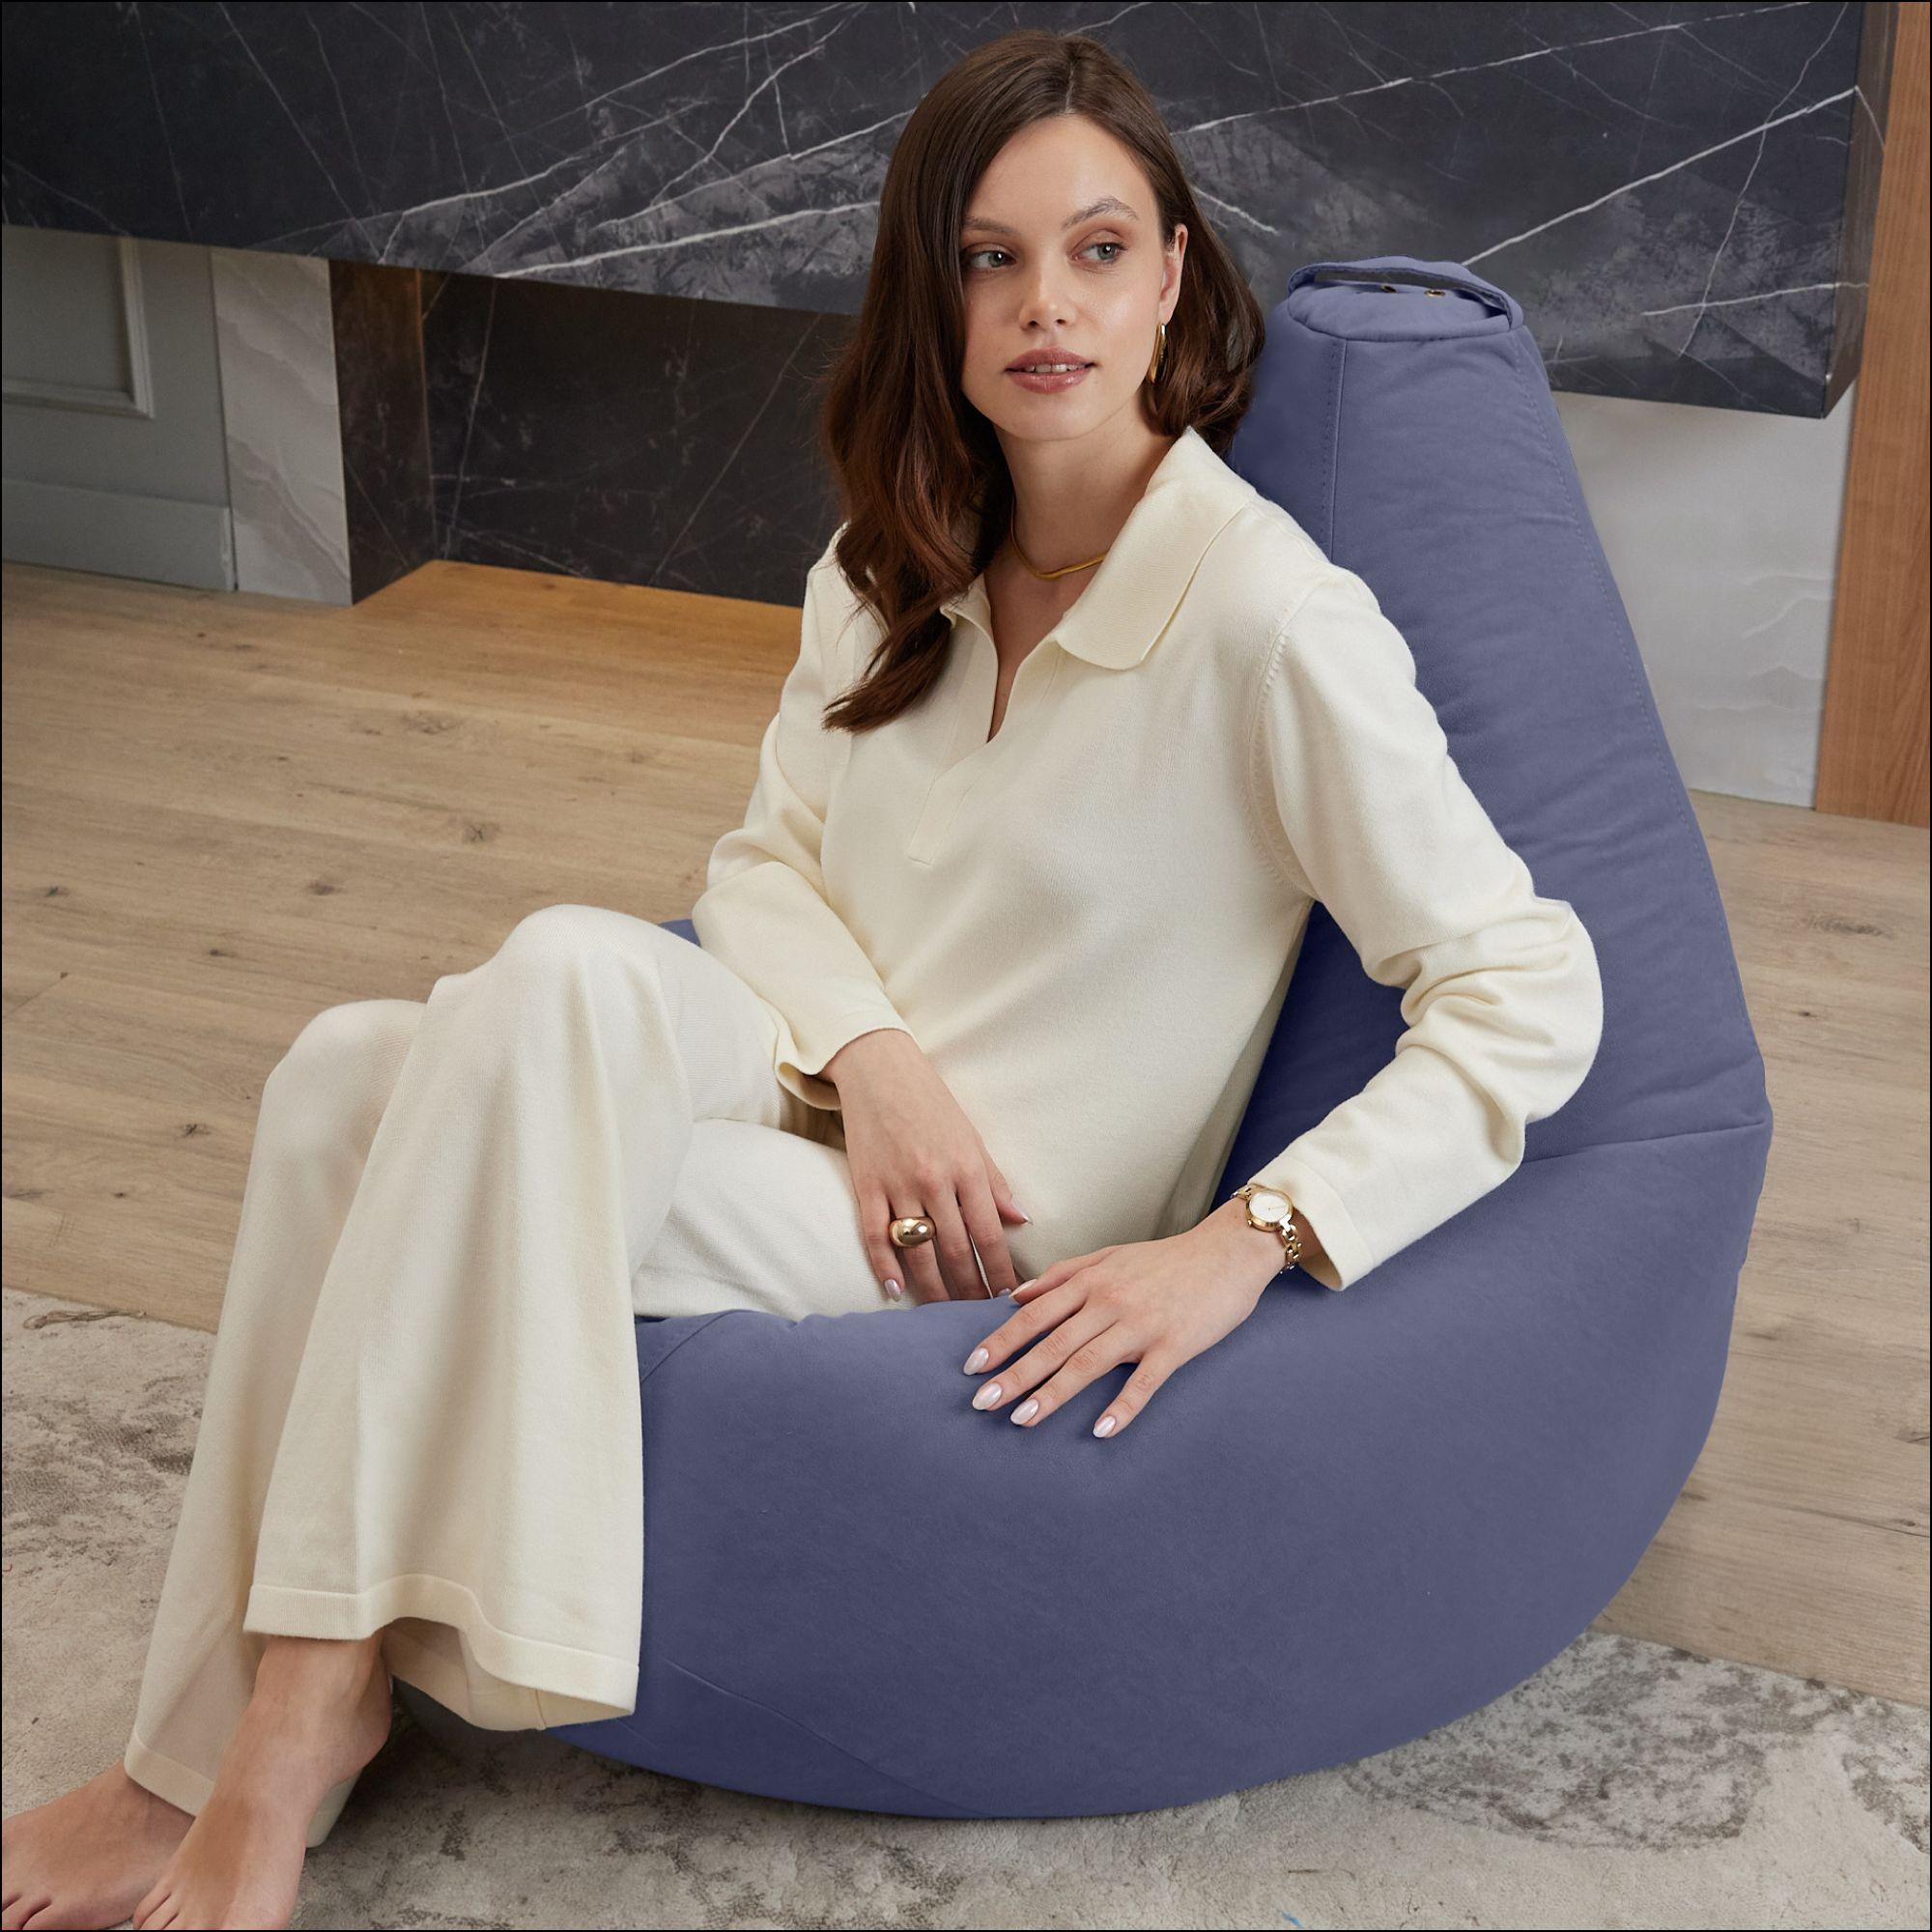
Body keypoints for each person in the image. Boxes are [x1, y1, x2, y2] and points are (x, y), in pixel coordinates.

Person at [0, 27, 1603, 1932]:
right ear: (933, 293)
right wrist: (878, 1058)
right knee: (400, 1040)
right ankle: (277, 1718)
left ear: (1173, 276)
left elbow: (1527, 983)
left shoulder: (1271, 625)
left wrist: (1247, 1239)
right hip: (818, 1087)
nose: (1046, 305)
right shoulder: (887, 561)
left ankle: (250, 1754)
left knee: (377, 1094)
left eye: (1097, 250)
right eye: (990, 258)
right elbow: (760, 869)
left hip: (979, 1232)